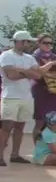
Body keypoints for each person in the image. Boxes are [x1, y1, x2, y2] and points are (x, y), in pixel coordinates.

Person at [0, 31, 49, 165]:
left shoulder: (29, 58)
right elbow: (10, 75)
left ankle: (15, 154)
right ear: (21, 42)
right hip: (10, 96)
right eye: (27, 41)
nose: (29, 44)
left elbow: (38, 75)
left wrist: (22, 71)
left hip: (26, 97)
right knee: (6, 126)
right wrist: (28, 72)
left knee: (20, 127)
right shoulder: (6, 56)